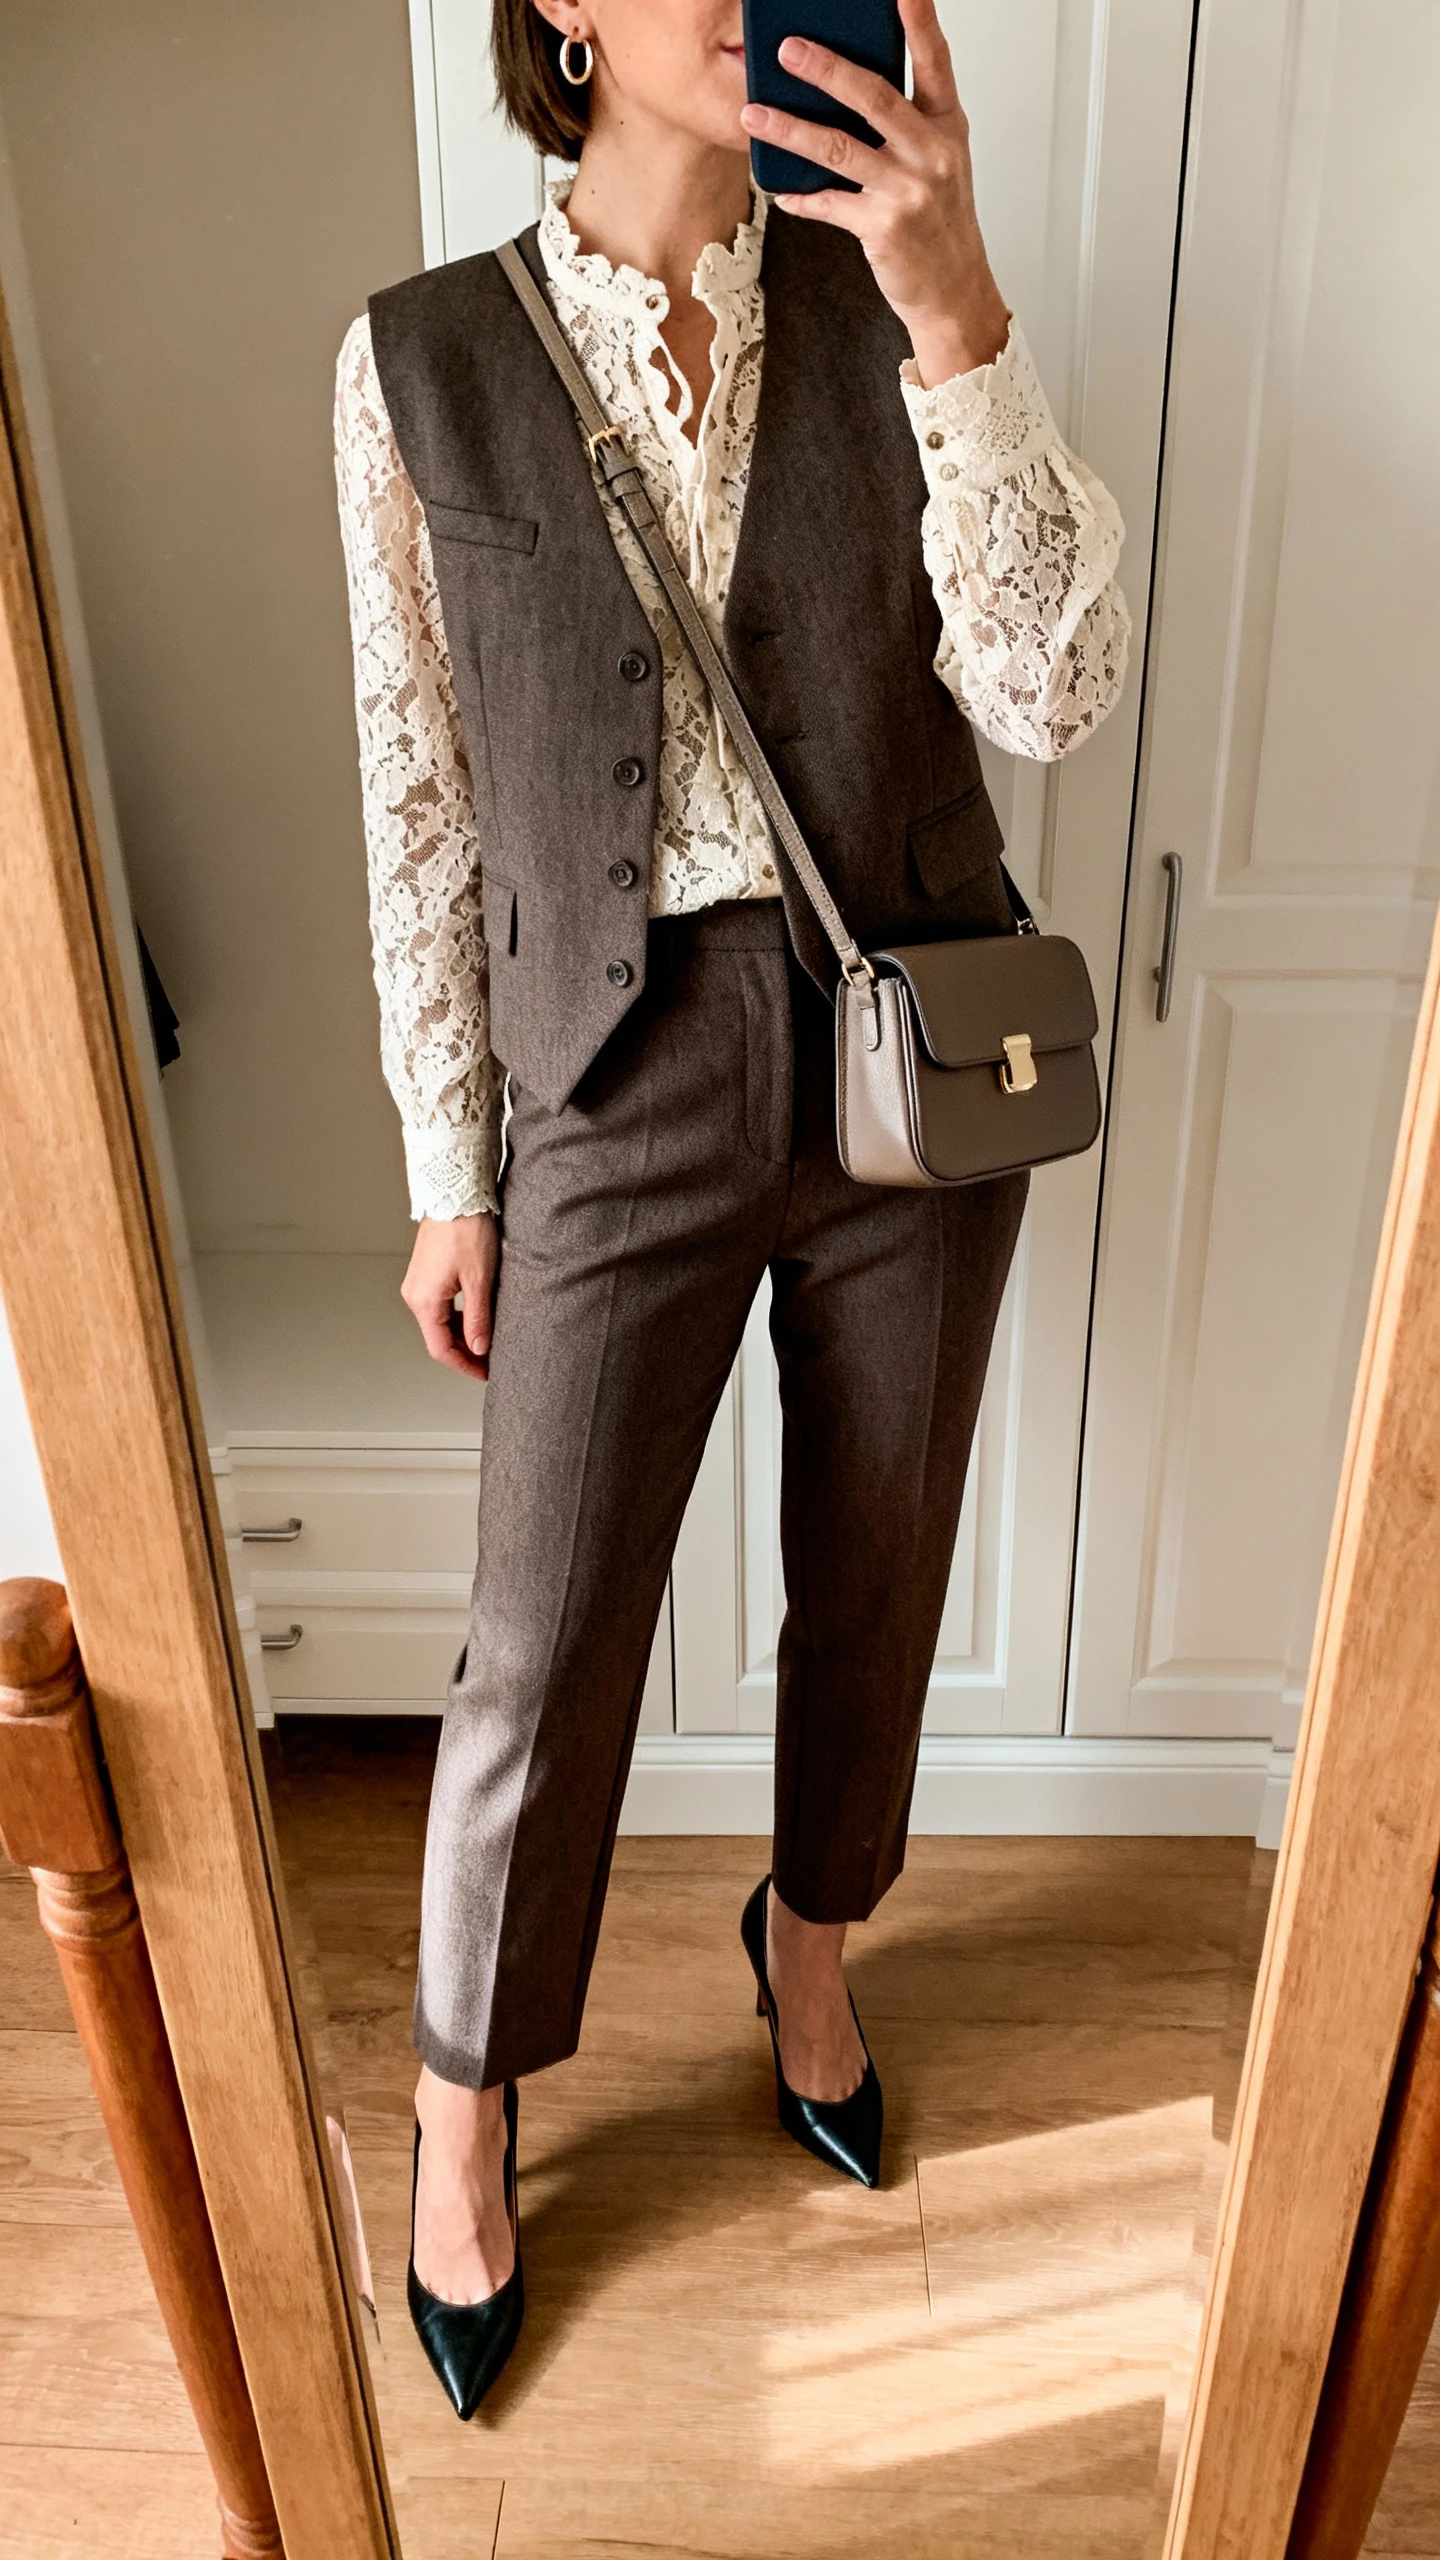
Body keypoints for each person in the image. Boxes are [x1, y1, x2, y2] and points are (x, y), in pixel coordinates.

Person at [334, 0, 1129, 2417]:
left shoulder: (890, 301)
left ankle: (810, 1935)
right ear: (558, 9)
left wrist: (958, 289)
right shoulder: (421, 366)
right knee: (542, 1640)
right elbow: (421, 800)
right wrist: (444, 1162)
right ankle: (462, 2096)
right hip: (608, 1064)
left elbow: (1055, 686)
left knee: (879, 1555)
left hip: (904, 1041)